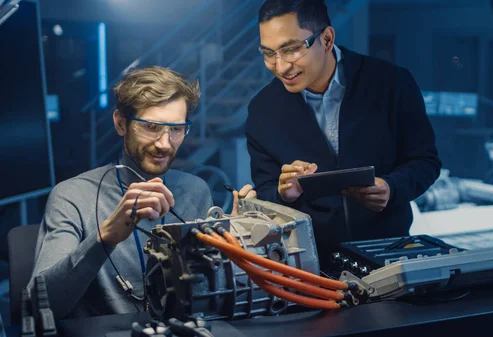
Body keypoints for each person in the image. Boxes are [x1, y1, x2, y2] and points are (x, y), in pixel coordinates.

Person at [28, 66, 255, 319]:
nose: (164, 144)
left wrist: (237, 247)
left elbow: (211, 291)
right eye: (151, 127)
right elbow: (38, 306)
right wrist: (105, 237)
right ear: (120, 123)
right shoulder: (72, 196)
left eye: (176, 130)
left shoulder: (195, 190)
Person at [245, 0, 442, 268]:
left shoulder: (391, 84)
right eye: (269, 53)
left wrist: (392, 188)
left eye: (291, 50)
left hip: (388, 255)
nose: (281, 67)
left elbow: (425, 162)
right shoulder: (262, 110)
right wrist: (283, 194)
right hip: (307, 264)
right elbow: (264, 191)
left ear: (326, 39)